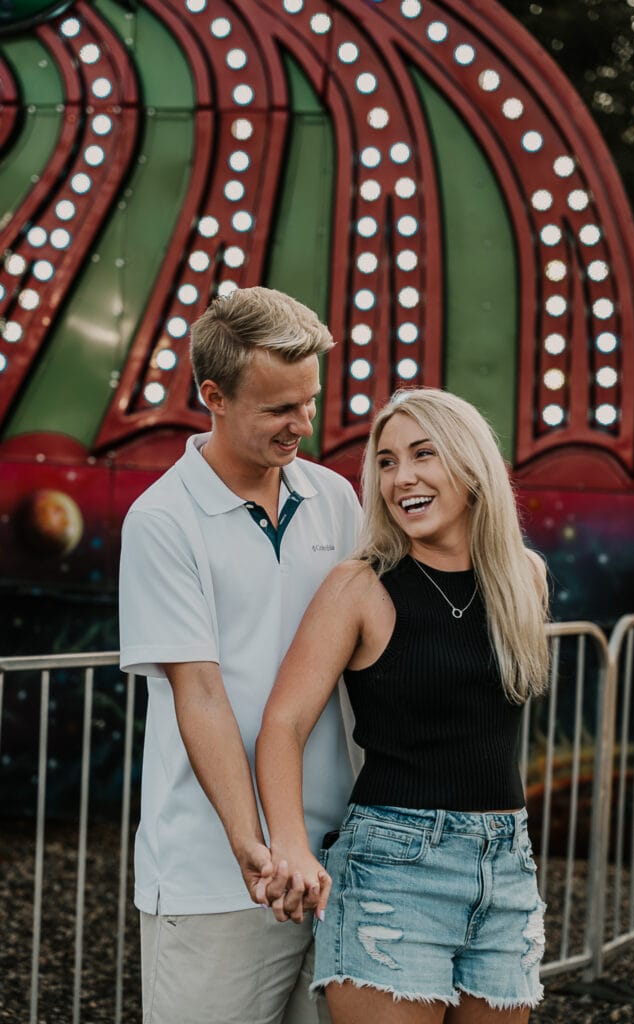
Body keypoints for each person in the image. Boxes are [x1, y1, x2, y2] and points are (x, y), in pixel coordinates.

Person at [256, 387, 550, 1024]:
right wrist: (290, 846)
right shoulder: (360, 586)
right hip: (393, 871)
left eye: (423, 454)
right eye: (386, 462)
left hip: (507, 867)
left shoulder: (523, 577)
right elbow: (283, 722)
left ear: (471, 465)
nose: (401, 478)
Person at [118, 287, 362, 1024]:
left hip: (338, 865)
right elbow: (200, 694)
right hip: (214, 872)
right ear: (213, 396)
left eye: (309, 400)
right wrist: (251, 846)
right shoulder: (162, 519)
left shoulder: (336, 498)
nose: (302, 424)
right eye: (279, 409)